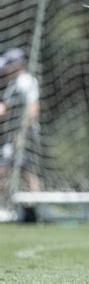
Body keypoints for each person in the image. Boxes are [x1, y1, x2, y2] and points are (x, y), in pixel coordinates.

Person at [0, 48, 41, 192]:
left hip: (24, 135)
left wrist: (22, 133)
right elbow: (4, 108)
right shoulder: (13, 84)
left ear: (16, 65)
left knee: (26, 172)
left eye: (7, 66)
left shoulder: (26, 81)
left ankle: (36, 207)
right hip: (14, 136)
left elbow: (33, 108)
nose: (4, 70)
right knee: (7, 170)